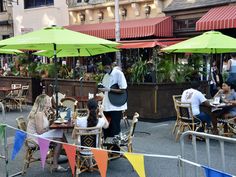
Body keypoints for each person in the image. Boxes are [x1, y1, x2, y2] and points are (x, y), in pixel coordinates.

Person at [27, 94, 68, 172]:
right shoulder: (39, 114)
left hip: (38, 136)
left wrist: (51, 124)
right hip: (34, 139)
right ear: (44, 103)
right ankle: (66, 155)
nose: (50, 102)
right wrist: (50, 129)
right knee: (59, 135)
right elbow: (40, 131)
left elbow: (43, 128)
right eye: (48, 101)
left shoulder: (43, 112)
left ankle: (65, 153)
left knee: (59, 134)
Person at [98, 57, 127, 141]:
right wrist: (101, 89)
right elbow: (105, 90)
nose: (106, 69)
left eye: (107, 67)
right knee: (106, 128)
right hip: (106, 105)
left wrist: (109, 89)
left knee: (115, 129)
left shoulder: (119, 74)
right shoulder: (105, 76)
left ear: (111, 65)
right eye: (104, 68)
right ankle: (107, 149)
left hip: (116, 106)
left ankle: (115, 151)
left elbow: (123, 90)